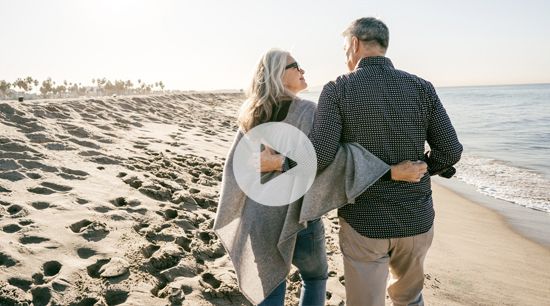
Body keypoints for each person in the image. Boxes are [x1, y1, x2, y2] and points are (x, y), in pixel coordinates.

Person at [214, 48, 427, 306]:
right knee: (314, 278)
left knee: (270, 286)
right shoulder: (307, 112)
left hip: (260, 217)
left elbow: (236, 167)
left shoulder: (251, 114)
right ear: (278, 75)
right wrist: (390, 171)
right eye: (295, 66)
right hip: (299, 216)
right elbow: (333, 160)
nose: (302, 69)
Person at [305, 17, 463, 306]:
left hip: (365, 220)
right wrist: (422, 168)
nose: (345, 56)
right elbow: (450, 151)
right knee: (410, 299)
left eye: (344, 48)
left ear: (354, 44)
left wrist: (283, 163)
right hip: (415, 218)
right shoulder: (422, 87)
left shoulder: (337, 89)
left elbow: (320, 157)